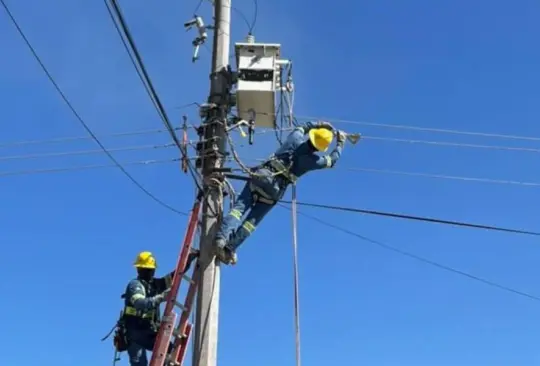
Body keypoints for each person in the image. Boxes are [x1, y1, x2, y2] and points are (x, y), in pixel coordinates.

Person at [214, 120, 348, 265]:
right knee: (250, 223)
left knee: (238, 210)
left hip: (262, 176)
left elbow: (302, 127)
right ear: (321, 148)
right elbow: (332, 160)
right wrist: (340, 143)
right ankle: (229, 249)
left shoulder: (295, 139)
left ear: (312, 136)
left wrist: (319, 124)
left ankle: (221, 239)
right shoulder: (313, 161)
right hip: (274, 192)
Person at [122, 250, 198, 366]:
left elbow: (174, 277)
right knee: (139, 364)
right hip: (134, 332)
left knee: (169, 350)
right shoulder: (135, 285)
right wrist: (161, 297)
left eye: (150, 270)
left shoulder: (155, 285)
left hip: (147, 330)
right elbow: (140, 304)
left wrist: (188, 261)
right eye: (146, 269)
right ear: (139, 270)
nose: (149, 272)